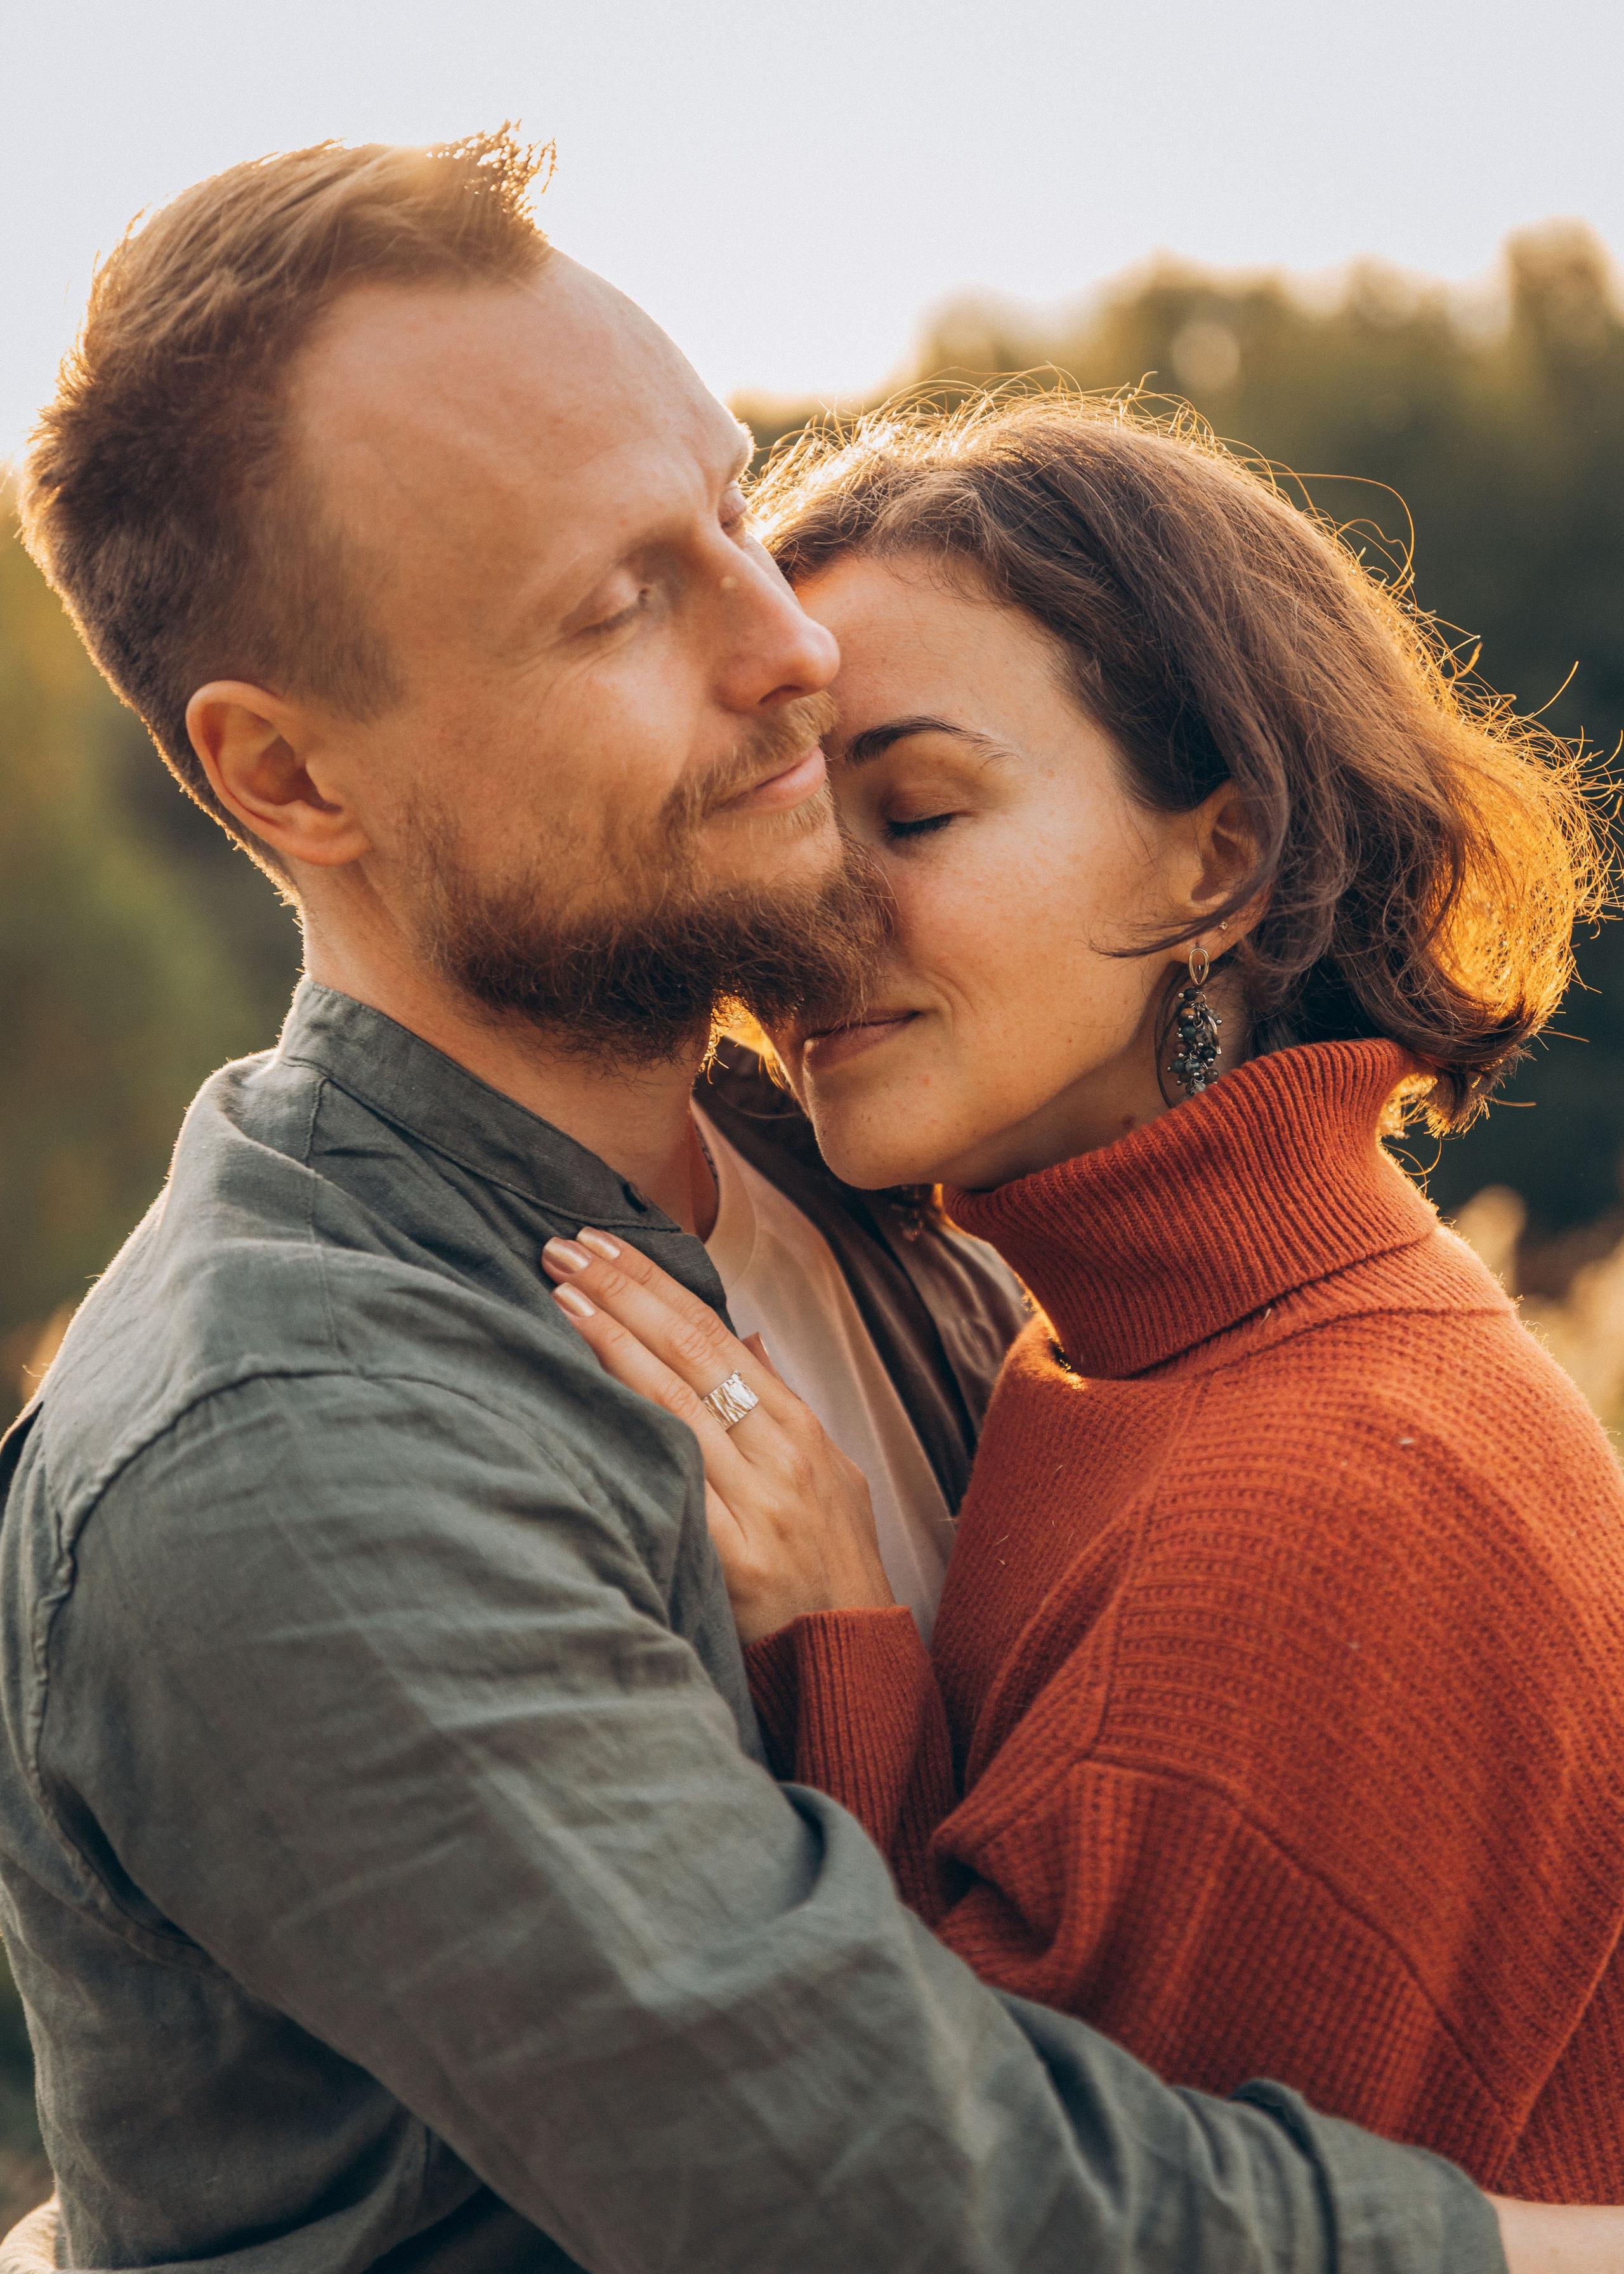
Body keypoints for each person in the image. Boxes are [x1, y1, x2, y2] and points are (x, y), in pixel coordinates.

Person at [4, 124, 1560, 2273]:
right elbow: (906, 2215)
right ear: (289, 777)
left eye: (732, 512)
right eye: (621, 599)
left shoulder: (861, 1186)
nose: (792, 649)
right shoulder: (287, 1448)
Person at [551, 398, 1624, 2205]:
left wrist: (841, 1641)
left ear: (1220, 864)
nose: (810, 918)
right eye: (788, 825)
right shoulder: (1141, 1344)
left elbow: (1003, 2213)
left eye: (914, 808)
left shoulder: (1323, 1508)